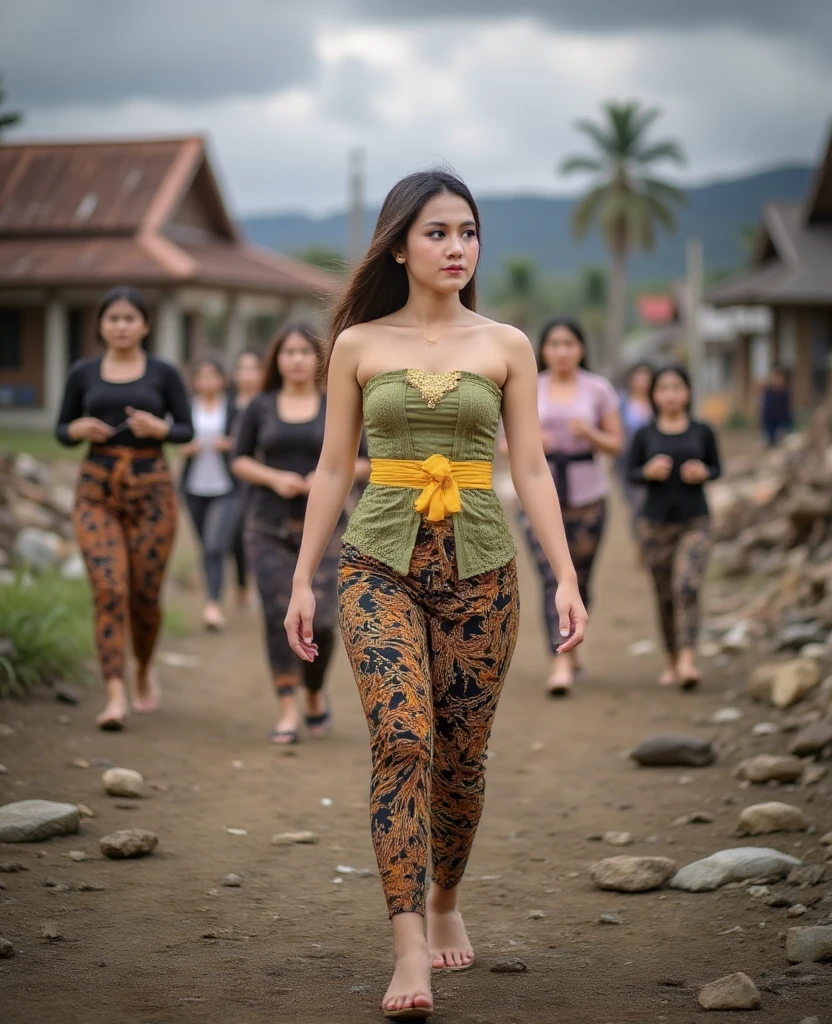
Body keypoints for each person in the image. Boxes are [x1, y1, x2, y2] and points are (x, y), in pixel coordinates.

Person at [283, 171, 587, 1021]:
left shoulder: (507, 345)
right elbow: (334, 468)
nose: (457, 248)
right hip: (377, 560)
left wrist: (566, 576)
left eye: (468, 232)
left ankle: (447, 891)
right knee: (405, 738)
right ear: (399, 244)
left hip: (482, 568)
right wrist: (304, 580)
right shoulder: (356, 345)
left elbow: (529, 468)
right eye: (437, 233)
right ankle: (409, 940)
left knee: (461, 761)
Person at [55, 286, 193, 730]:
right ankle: (115, 692)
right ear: (100, 324)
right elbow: (61, 428)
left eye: (129, 318)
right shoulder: (82, 372)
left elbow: (186, 430)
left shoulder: (164, 373)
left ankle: (144, 668)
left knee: (145, 596)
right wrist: (77, 429)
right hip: (97, 489)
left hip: (152, 489)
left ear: (145, 325)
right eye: (112, 318)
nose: (120, 326)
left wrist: (160, 428)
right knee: (109, 587)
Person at [232, 325, 362, 744]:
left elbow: (366, 462)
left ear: (320, 360)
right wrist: (274, 478)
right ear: (278, 359)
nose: (298, 359)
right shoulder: (260, 407)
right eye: (289, 351)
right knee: (277, 617)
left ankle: (312, 690)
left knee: (322, 620)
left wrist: (322, 479)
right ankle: (287, 706)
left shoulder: (336, 404)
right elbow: (240, 460)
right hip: (267, 526)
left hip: (327, 529)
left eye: (306, 351)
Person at [522, 317, 622, 697]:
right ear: (543, 350)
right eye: (554, 344)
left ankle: (572, 640)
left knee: (580, 578)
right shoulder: (529, 386)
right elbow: (503, 444)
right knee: (552, 578)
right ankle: (559, 661)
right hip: (538, 494)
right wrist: (534, 443)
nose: (561, 352)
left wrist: (591, 434)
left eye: (569, 344)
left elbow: (617, 444)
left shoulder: (598, 389)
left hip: (587, 497)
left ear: (581, 348)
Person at [627, 364, 722, 690]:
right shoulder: (644, 434)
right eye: (663, 388)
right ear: (653, 394)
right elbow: (631, 472)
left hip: (696, 521)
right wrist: (648, 471)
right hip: (655, 525)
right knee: (665, 593)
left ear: (688, 392)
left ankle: (687, 659)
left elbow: (717, 468)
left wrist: (704, 472)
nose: (670, 395)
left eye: (677, 387)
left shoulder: (702, 431)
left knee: (687, 586)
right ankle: (671, 659)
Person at [180, 358, 238, 631]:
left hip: (226, 488)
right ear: (195, 381)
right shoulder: (186, 408)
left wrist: (230, 444)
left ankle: (213, 604)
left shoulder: (232, 407)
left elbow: (246, 440)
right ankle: (213, 593)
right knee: (206, 547)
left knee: (215, 545)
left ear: (222, 380)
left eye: (213, 376)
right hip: (194, 488)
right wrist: (186, 448)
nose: (207, 382)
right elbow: (177, 438)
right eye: (202, 377)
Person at [228, 349, 264, 607]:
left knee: (252, 533)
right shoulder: (229, 406)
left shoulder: (267, 404)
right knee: (234, 537)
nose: (247, 375)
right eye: (243, 369)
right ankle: (242, 584)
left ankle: (257, 584)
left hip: (260, 483)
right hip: (228, 483)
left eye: (253, 369)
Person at [760, 366, 793, 447]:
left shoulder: (785, 392)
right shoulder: (768, 392)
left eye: (779, 378)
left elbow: (787, 410)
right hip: (770, 423)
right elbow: (765, 409)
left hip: (782, 422)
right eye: (775, 378)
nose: (777, 380)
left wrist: (786, 425)